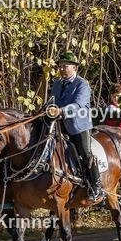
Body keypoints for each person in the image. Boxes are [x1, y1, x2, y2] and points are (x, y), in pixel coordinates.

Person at [49, 52, 104, 202]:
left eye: (65, 66)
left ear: (74, 67)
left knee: (85, 153)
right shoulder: (57, 84)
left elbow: (79, 105)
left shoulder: (82, 84)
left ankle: (97, 186)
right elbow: (52, 102)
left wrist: (61, 111)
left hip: (78, 125)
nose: (61, 69)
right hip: (58, 125)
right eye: (60, 66)